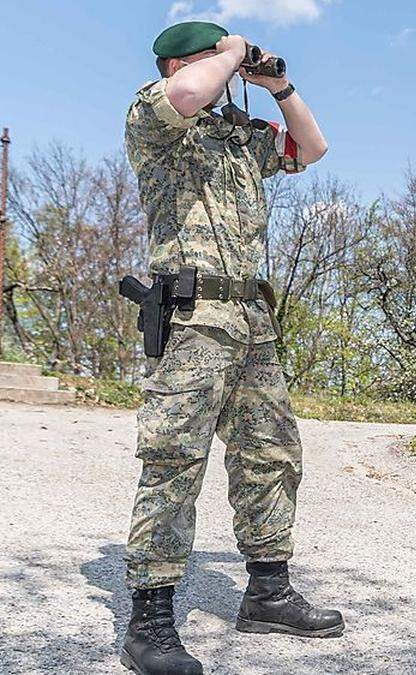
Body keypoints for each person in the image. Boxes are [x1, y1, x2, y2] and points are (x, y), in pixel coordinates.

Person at [119, 20, 341, 675]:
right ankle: (150, 620)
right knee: (174, 460)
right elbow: (188, 94)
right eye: (212, 55)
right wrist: (232, 52)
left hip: (251, 313)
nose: (226, 64)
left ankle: (268, 590)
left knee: (271, 454)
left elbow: (313, 147)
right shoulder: (154, 116)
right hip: (191, 314)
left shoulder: (236, 139)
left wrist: (278, 85)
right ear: (181, 62)